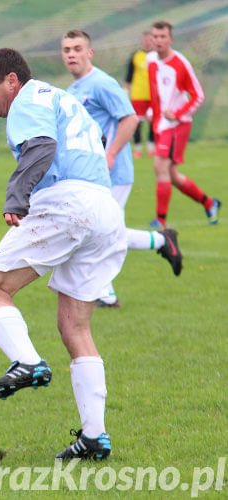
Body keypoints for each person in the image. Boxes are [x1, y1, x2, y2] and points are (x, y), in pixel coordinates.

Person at [0, 48, 127, 460]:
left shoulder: (29, 97)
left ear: (11, 81)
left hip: (67, 203)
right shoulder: (64, 98)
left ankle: (27, 362)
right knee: (74, 326)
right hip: (104, 207)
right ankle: (94, 437)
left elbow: (41, 146)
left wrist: (17, 197)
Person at [61, 29, 183, 308]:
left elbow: (130, 119)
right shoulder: (73, 90)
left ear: (89, 53)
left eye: (77, 49)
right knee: (101, 232)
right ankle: (159, 241)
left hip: (112, 172)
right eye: (67, 50)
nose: (72, 54)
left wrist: (111, 153)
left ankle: (106, 293)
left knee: (101, 232)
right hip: (92, 174)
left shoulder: (102, 83)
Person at [147, 20, 220, 227]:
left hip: (177, 126)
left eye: (163, 37)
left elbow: (198, 96)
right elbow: (156, 90)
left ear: (170, 39)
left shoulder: (180, 63)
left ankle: (160, 221)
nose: (159, 41)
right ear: (151, 39)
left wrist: (177, 114)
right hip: (161, 124)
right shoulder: (151, 60)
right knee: (172, 175)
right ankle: (209, 203)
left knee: (159, 166)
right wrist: (153, 109)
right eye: (155, 37)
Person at [124, 31, 156, 159]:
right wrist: (125, 92)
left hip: (153, 96)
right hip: (138, 95)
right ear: (142, 41)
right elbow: (129, 75)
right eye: (145, 40)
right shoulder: (135, 56)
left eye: (150, 39)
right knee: (137, 123)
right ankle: (137, 149)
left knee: (153, 122)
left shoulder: (156, 56)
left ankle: (150, 149)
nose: (147, 42)